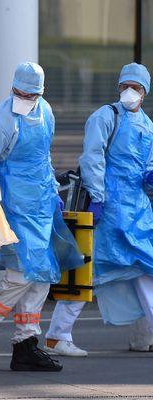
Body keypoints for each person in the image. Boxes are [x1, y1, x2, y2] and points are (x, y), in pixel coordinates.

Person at [0, 62, 84, 372]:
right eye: (20, 92)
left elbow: (44, 154)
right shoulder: (3, 119)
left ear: (41, 92)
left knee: (42, 275)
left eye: (31, 94)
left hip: (41, 201)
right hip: (14, 203)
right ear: (13, 88)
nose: (25, 98)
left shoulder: (46, 111)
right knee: (22, 275)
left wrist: (52, 190)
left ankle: (26, 344)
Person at [79, 62, 153, 352]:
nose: (130, 92)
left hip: (138, 209)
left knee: (143, 269)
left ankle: (143, 337)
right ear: (118, 87)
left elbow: (147, 165)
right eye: (125, 86)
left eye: (136, 87)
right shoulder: (106, 116)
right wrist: (98, 196)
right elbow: (92, 157)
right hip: (110, 207)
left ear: (144, 92)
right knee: (94, 272)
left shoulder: (148, 126)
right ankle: (58, 332)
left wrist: (150, 177)